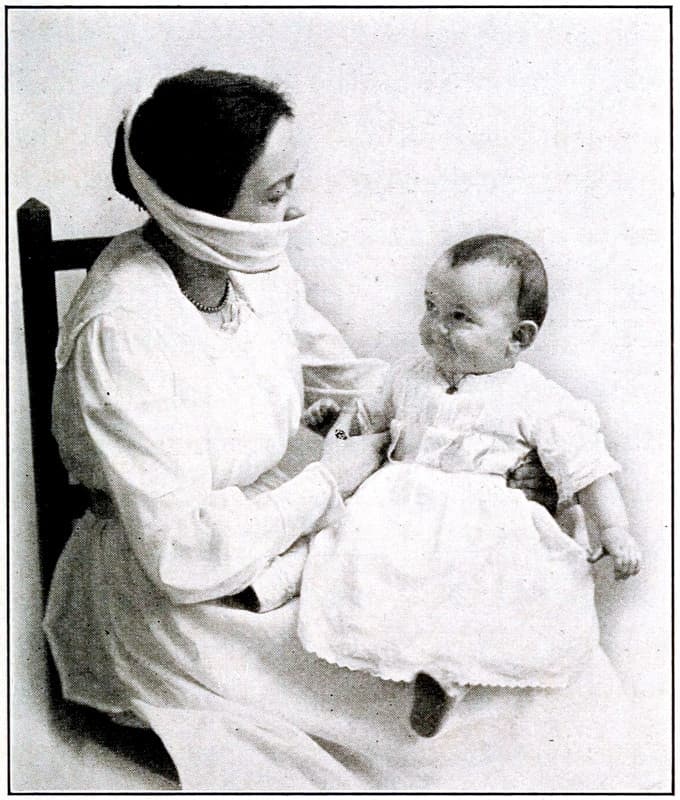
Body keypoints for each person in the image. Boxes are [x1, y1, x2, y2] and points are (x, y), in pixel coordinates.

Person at [42, 69, 638, 791]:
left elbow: (348, 378)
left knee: (490, 643)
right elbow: (180, 555)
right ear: (205, 207)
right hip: (174, 595)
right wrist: (329, 480)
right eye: (274, 193)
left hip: (270, 535)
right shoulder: (121, 331)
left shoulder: (250, 265)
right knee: (438, 695)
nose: (294, 207)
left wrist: (478, 435)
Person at [297, 234, 642, 738]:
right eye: (431, 307)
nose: (435, 327)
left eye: (459, 318)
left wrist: (614, 529)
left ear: (518, 338)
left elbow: (587, 468)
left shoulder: (537, 399)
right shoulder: (407, 375)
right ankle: (362, 639)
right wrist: (336, 428)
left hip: (484, 521)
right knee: (360, 558)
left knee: (473, 589)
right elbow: (362, 420)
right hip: (399, 506)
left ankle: (445, 678)